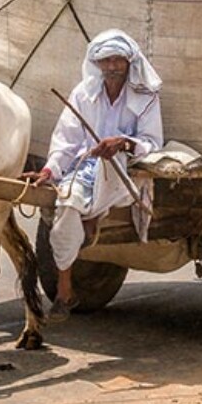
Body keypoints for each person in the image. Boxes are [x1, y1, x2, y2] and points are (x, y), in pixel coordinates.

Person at [27, 29, 163, 322]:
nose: (112, 66)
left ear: (129, 63)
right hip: (85, 169)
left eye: (118, 60)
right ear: (97, 64)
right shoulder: (82, 94)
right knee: (65, 206)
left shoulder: (146, 96)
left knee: (82, 194)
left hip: (124, 171)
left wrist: (123, 143)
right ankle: (65, 291)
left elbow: (153, 142)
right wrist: (50, 170)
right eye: (106, 61)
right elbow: (66, 142)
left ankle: (89, 219)